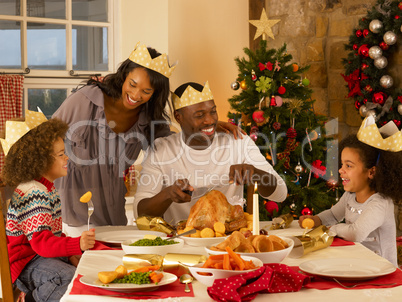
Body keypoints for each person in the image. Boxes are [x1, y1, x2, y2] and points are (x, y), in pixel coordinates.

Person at [52, 43, 241, 236]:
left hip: (112, 212)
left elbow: (174, 145)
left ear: (154, 94)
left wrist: (205, 125)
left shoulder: (149, 119)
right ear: (124, 76)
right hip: (73, 211)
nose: (135, 95)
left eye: (146, 91)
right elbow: (46, 138)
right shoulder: (85, 101)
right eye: (132, 84)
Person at [135, 81, 287, 224]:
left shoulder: (238, 141)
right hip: (179, 244)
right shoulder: (161, 150)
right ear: (178, 117)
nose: (209, 121)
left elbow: (280, 193)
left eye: (213, 112)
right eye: (199, 115)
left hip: (228, 240)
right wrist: (168, 194)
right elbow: (139, 213)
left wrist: (256, 173)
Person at [1, 111, 95, 302]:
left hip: (38, 258)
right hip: (27, 264)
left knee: (84, 265)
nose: (67, 158)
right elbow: (42, 243)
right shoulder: (34, 191)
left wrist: (72, 250)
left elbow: (51, 235)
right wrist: (76, 244)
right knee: (68, 278)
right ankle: (30, 299)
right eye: (61, 154)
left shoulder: (46, 188)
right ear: (38, 159)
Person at [299, 116, 402, 266]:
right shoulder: (350, 196)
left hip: (380, 274)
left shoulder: (380, 203)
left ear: (371, 172)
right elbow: (334, 214)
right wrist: (317, 220)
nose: (340, 170)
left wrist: (332, 229)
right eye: (342, 164)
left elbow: (356, 233)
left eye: (349, 165)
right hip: (358, 265)